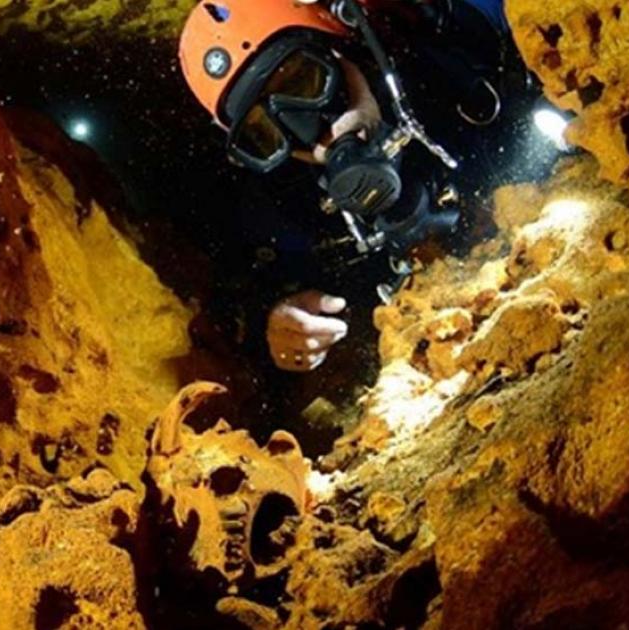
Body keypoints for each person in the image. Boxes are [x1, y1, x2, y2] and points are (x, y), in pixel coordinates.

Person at [177, 0, 526, 379]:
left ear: (342, 45)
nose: (315, 133)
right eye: (265, 130)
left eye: (302, 81)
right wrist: (277, 319)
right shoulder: (289, 210)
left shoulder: (451, 39)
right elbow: (258, 288)